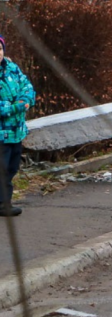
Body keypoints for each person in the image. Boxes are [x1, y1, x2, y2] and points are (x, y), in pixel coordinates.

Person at [0, 34, 34, 217]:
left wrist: (24, 101)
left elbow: (28, 89)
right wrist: (18, 106)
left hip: (16, 131)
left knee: (12, 168)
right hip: (1, 134)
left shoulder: (12, 68)